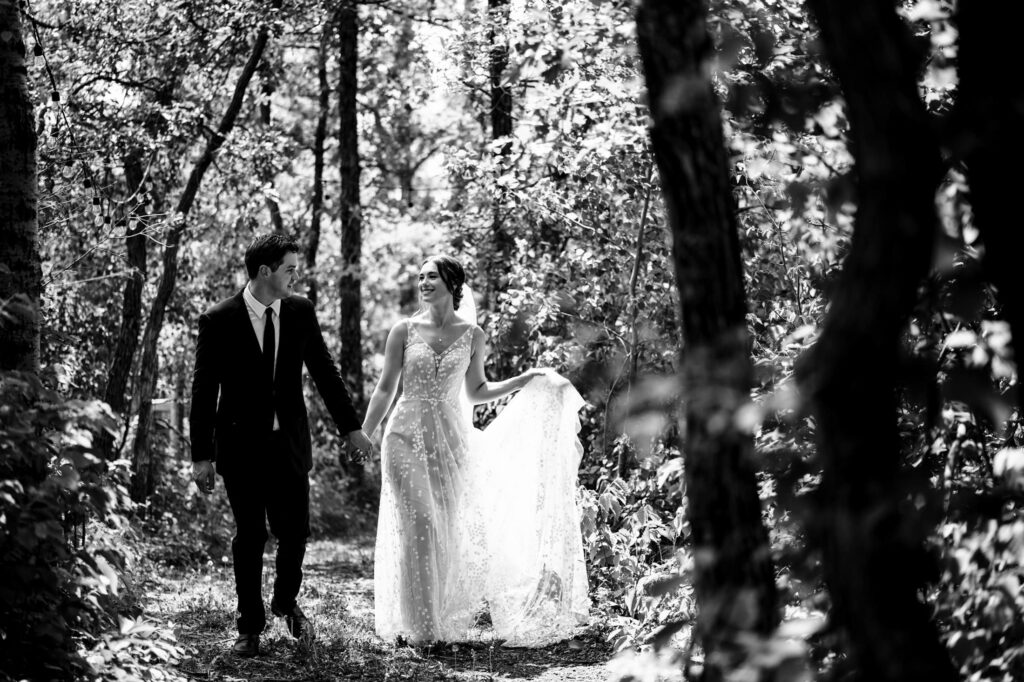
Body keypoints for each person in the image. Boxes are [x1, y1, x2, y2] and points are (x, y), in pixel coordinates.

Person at [363, 255, 589, 646]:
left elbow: (476, 391)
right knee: (420, 521)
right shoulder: (403, 330)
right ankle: (421, 630)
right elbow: (386, 388)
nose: (423, 282)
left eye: (431, 276)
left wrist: (524, 379)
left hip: (450, 441)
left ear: (452, 283)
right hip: (403, 436)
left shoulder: (473, 334)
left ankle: (431, 618)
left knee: (443, 530)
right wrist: (364, 433)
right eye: (420, 277)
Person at [189, 234, 376, 657]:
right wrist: (201, 455)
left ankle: (285, 602)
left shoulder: (299, 312)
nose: (297, 275)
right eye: (290, 268)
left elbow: (325, 373)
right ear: (265, 272)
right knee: (250, 536)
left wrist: (351, 428)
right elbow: (204, 391)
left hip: (289, 445)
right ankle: (249, 626)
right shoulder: (218, 319)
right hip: (240, 450)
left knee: (296, 534)